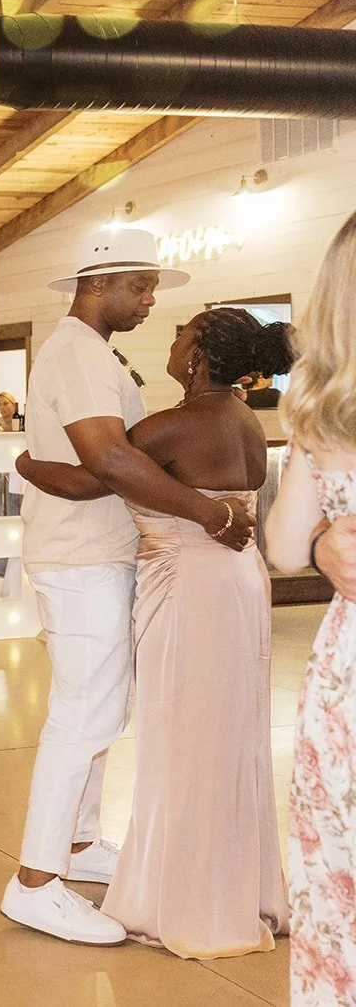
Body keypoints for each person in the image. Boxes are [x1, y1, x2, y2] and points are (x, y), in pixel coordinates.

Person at [4, 227, 256, 946]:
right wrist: (210, 513)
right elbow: (110, 458)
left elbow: (113, 462)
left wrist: (33, 465)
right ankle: (35, 882)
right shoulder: (76, 353)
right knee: (82, 716)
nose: (149, 300)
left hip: (101, 553)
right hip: (80, 558)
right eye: (141, 286)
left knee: (99, 711)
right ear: (98, 282)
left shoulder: (95, 354)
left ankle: (79, 846)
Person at [264, 210, 356, 1004]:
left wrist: (325, 529)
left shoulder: (322, 417)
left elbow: (283, 547)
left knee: (338, 895)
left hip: (346, 686)